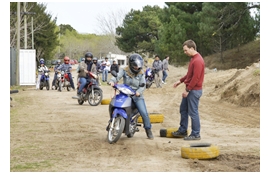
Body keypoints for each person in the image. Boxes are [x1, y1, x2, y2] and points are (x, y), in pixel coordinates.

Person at [108, 53, 154, 140]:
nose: (137, 67)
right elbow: (117, 77)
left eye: (138, 65)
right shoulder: (124, 70)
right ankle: (111, 122)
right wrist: (112, 81)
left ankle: (148, 130)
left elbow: (143, 86)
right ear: (130, 64)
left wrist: (138, 92)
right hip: (125, 93)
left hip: (137, 96)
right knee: (114, 104)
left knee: (144, 113)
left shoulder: (141, 73)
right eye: (135, 65)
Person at [172, 39, 205, 141]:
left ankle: (196, 134)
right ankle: (182, 130)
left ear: (192, 48)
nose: (184, 52)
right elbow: (189, 75)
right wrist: (180, 81)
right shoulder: (193, 59)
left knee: (193, 112)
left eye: (186, 50)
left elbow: (196, 78)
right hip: (191, 89)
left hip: (194, 91)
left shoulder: (198, 60)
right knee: (183, 109)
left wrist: (187, 90)